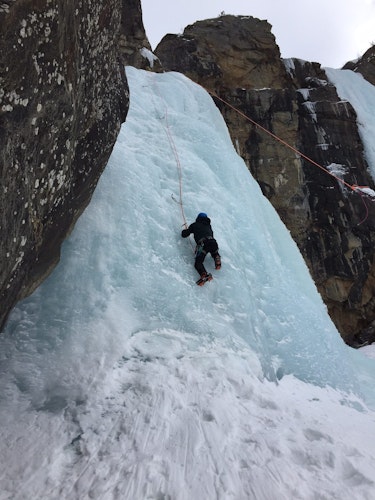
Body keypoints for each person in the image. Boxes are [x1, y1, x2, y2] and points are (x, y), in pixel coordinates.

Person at [181, 212, 221, 285]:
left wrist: (184, 230)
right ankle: (217, 257)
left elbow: (184, 234)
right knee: (214, 251)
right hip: (213, 242)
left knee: (198, 263)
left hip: (203, 244)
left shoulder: (194, 225)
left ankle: (204, 274)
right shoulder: (209, 226)